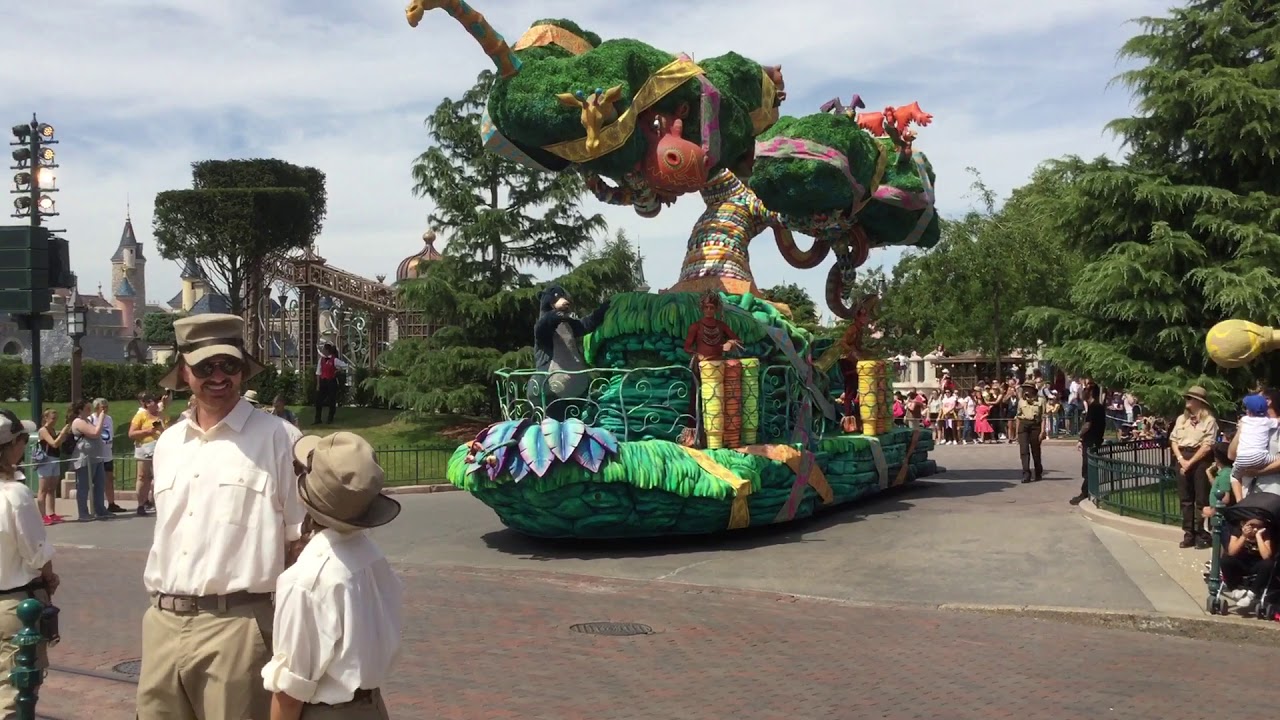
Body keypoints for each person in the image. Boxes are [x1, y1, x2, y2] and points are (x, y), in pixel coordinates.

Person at [136, 313, 306, 720]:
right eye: (205, 366)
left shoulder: (280, 439)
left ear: (243, 369)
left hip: (239, 626)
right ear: (184, 372)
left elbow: (301, 543)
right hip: (161, 624)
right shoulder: (169, 443)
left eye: (228, 364)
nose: (218, 376)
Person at [263, 432, 402, 719]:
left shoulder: (306, 579)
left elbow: (290, 691)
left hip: (327, 711)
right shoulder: (371, 554)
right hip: (372, 707)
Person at [0, 410, 59, 718]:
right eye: (22, 439)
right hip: (13, 606)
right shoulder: (15, 495)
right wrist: (49, 579)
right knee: (13, 694)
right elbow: (37, 554)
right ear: (10, 446)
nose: (24, 445)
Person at [1170, 385, 1219, 549]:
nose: (1187, 400)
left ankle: (1201, 534)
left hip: (1200, 459)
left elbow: (1207, 445)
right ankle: (1188, 534)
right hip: (1182, 456)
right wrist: (1181, 459)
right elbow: (1173, 440)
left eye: (1190, 398)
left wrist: (1190, 463)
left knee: (1201, 498)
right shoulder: (1181, 419)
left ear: (1199, 401)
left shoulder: (1209, 421)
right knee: (1185, 499)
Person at [1220, 515, 1274, 614]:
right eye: (1252, 525)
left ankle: (1251, 594)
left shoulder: (1265, 534)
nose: (1255, 528)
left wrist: (1258, 536)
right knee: (1226, 560)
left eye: (1258, 526)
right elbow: (1231, 551)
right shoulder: (1237, 531)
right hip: (1240, 563)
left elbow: (1266, 556)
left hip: (1256, 564)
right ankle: (1234, 589)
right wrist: (1244, 536)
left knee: (1268, 564)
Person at [68, 399, 112, 522]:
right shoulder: (78, 422)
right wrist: (101, 418)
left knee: (100, 484)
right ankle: (83, 513)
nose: (90, 410)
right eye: (87, 408)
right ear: (80, 410)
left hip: (96, 458)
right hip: (85, 459)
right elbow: (95, 433)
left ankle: (100, 510)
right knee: (84, 486)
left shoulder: (87, 421)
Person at [129, 392, 171, 517]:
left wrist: (162, 428)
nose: (157, 404)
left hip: (159, 448)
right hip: (144, 448)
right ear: (147, 404)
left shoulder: (163, 416)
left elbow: (169, 432)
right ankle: (141, 504)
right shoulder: (141, 416)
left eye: (157, 401)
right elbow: (131, 434)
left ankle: (158, 503)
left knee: (159, 477)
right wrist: (148, 431)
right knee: (143, 476)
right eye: (154, 401)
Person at [1070, 384, 1107, 505]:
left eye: (1085, 390)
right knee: (1088, 467)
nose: (1083, 392)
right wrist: (1081, 440)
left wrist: (1080, 434)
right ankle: (1089, 491)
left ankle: (1085, 492)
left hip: (1092, 441)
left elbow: (1088, 425)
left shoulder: (1095, 407)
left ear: (1090, 392)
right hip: (1091, 440)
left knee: (1088, 468)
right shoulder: (1095, 406)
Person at [34, 409, 70, 525]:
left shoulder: (52, 430)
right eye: (53, 418)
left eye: (56, 419)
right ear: (46, 418)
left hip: (55, 459)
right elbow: (53, 443)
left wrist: (63, 436)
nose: (54, 421)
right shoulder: (43, 430)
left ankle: (51, 513)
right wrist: (62, 433)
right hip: (46, 460)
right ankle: (42, 516)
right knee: (43, 489)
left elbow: (58, 445)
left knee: (52, 488)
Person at [1230, 393, 1277, 479]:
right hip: (1260, 457)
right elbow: (1230, 455)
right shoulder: (1267, 421)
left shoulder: (1244, 420)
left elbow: (1231, 456)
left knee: (1235, 474)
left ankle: (1235, 475)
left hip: (1241, 458)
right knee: (1277, 459)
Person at [91, 399, 126, 513]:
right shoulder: (91, 419)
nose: (105, 409)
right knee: (97, 480)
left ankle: (111, 503)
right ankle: (97, 505)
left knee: (109, 479)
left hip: (107, 453)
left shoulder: (109, 419)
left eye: (106, 407)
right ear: (96, 408)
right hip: (97, 454)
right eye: (103, 407)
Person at [1014, 381, 1047, 483]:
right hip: (1023, 425)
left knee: (1035, 450)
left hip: (1035, 426)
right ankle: (1026, 474)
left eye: (1028, 388)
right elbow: (1018, 417)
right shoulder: (1021, 401)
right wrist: (1017, 432)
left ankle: (1038, 471)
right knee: (1024, 450)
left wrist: (1042, 431)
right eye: (1024, 388)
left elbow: (1043, 417)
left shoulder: (1041, 400)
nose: (1026, 390)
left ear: (1033, 390)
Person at [314, 344, 349, 425]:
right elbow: (318, 373)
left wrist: (338, 370)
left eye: (323, 349)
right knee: (318, 400)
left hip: (331, 381)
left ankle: (330, 418)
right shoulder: (321, 360)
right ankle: (317, 419)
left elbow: (345, 366)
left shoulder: (334, 360)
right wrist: (318, 384)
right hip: (323, 381)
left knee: (331, 400)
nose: (322, 351)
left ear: (327, 350)